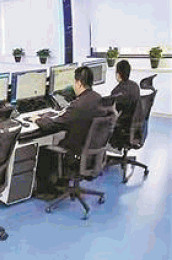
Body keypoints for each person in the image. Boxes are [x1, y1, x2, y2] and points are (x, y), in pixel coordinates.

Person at [31, 66, 113, 195]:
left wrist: (38, 119)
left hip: (76, 155)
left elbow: (52, 126)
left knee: (44, 150)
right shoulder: (98, 98)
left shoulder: (78, 106)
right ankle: (61, 184)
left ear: (79, 83)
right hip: (93, 155)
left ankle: (47, 192)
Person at [109, 60, 141, 145]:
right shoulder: (135, 86)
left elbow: (112, 114)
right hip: (133, 126)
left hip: (122, 128)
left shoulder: (116, 91)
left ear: (118, 74)